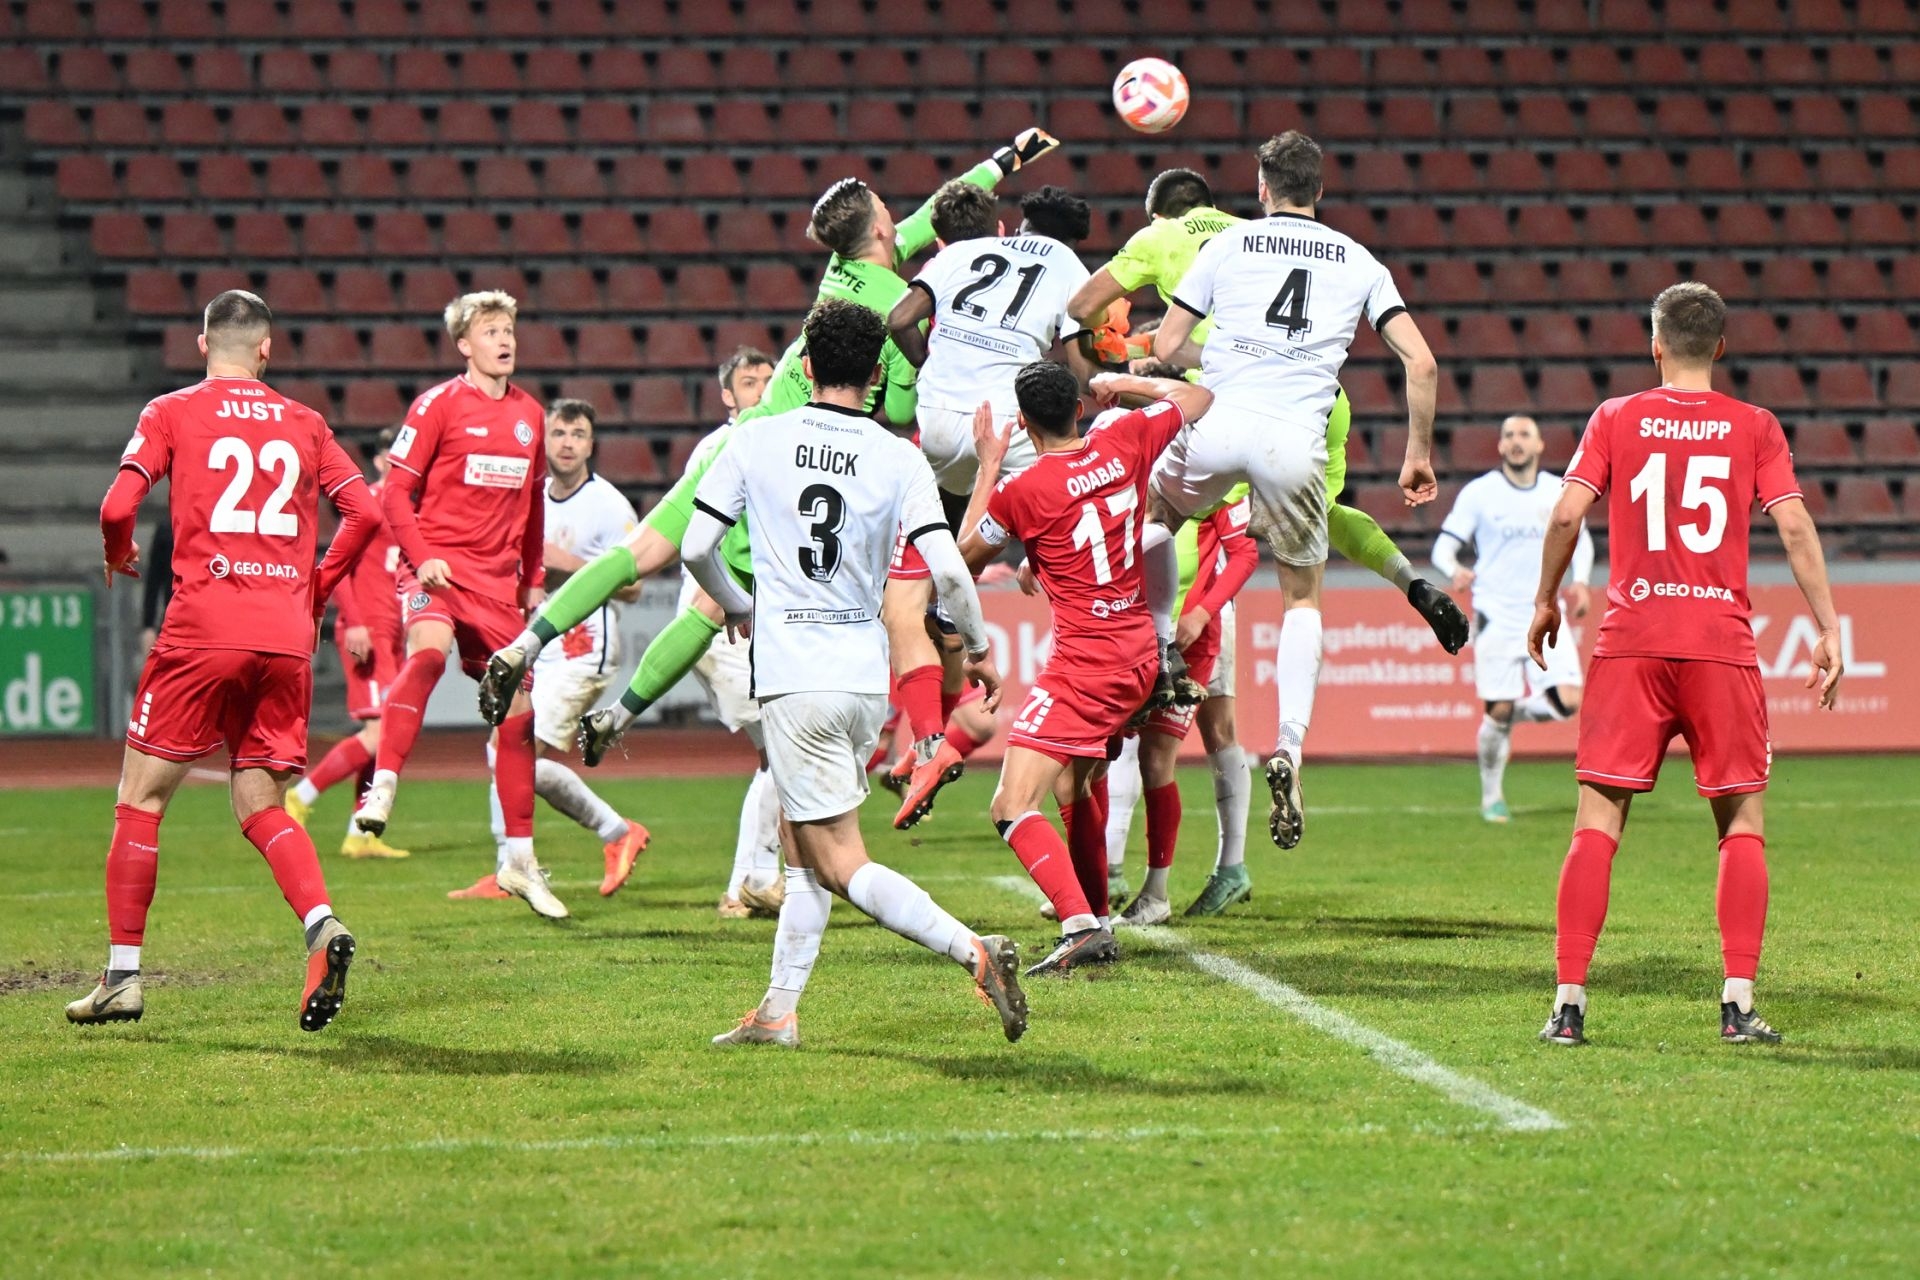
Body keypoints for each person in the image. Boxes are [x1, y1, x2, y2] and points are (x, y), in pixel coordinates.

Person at [476, 130, 1064, 778]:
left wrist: (1004, 160)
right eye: (884, 208)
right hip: (786, 462)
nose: (899, 215)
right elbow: (901, 412)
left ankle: (528, 648)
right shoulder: (894, 303)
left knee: (638, 553)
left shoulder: (847, 265)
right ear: (878, 228)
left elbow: (933, 214)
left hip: (742, 435)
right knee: (713, 606)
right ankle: (622, 717)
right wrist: (924, 367)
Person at [680, 298, 1028, 1047]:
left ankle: (974, 950)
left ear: (805, 366)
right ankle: (777, 1014)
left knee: (839, 861)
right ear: (875, 376)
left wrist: (741, 605)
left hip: (795, 676)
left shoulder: (756, 438)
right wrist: (974, 648)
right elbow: (949, 573)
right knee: (799, 844)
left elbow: (696, 547)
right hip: (863, 679)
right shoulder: (898, 456)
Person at [1529, 282, 1842, 1047]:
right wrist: (1828, 626)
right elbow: (1794, 526)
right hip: (1718, 646)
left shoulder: (1615, 416)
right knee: (1741, 824)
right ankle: (1737, 1003)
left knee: (1597, 822)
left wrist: (1544, 600)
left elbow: (1566, 513)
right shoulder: (1754, 425)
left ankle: (1569, 1005)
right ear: (1721, 348)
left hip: (1631, 641)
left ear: (1656, 345)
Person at [68, 289, 380, 1030]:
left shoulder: (171, 411)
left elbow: (116, 507)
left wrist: (119, 551)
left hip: (204, 628)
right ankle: (321, 924)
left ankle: (122, 977)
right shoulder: (306, 423)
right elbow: (365, 511)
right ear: (267, 349)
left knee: (141, 799)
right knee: (261, 803)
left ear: (203, 344)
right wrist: (315, 588)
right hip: (284, 636)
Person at [1147, 131, 1442, 853]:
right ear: (1321, 190)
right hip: (1294, 441)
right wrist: (1416, 455)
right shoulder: (1361, 261)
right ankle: (1289, 745)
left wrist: (1223, 358)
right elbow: (1422, 363)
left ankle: (1158, 650)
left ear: (1261, 188)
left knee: (1155, 513)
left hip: (1220, 418)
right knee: (1302, 598)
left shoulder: (1228, 244)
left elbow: (1166, 346)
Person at [958, 364, 1210, 976]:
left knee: (1011, 805)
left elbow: (961, 560)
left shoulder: (1019, 490)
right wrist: (1121, 383)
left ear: (1023, 424)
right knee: (1076, 785)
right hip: (1139, 654)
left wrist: (988, 465)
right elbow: (1198, 395)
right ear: (1078, 408)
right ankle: (1095, 918)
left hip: (1085, 666)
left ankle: (1079, 926)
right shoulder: (1124, 437)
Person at [883, 180, 1102, 825]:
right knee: (1075, 505)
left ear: (1017, 225)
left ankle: (929, 732)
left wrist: (930, 366)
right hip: (1009, 427)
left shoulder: (961, 253)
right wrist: (1107, 381)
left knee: (920, 585)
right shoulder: (1070, 266)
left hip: (938, 423)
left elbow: (897, 319)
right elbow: (1078, 368)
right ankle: (1079, 618)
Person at [353, 290, 564, 919]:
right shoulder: (436, 405)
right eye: (491, 331)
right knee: (428, 652)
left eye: (509, 330)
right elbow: (394, 494)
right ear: (465, 344)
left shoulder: (530, 415)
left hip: (496, 587)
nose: (505, 340)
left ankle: (519, 861)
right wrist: (421, 555)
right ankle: (383, 785)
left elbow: (532, 506)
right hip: (437, 568)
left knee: (518, 714)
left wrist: (532, 577)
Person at [451, 399, 650, 903]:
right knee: (505, 749)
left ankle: (604, 835)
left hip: (585, 647)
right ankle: (524, 862)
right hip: (538, 646)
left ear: (591, 444)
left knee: (514, 750)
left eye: (578, 435)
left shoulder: (609, 505)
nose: (567, 443)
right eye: (558, 433)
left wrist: (567, 564)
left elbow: (635, 586)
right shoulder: (528, 494)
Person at [1109, 482, 1259, 923]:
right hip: (1135, 627)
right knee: (1111, 747)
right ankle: (1104, 871)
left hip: (1193, 634)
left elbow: (1244, 552)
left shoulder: (1212, 472)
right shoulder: (1134, 462)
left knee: (1177, 747)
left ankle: (1206, 873)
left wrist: (1203, 612)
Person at [1433, 414, 1594, 823]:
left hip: (1545, 612)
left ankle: (1506, 716)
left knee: (1569, 701)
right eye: (1509, 435)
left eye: (1524, 434)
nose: (1516, 441)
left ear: (1539, 445)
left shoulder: (1558, 490)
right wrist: (1454, 569)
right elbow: (1442, 548)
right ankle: (1492, 797)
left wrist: (1582, 581)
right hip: (1496, 615)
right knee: (1498, 710)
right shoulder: (1479, 493)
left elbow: (1581, 539)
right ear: (1501, 446)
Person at [682, 347, 787, 920]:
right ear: (727, 395)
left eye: (769, 380)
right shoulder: (723, 447)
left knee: (780, 753)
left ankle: (750, 882)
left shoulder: (768, 442)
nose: (762, 390)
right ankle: (751, 881)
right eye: (749, 383)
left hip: (741, 617)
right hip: (725, 618)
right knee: (782, 750)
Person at [285, 427, 410, 860]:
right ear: (379, 460)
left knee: (385, 736)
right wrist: (355, 622)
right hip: (368, 630)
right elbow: (335, 567)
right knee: (381, 732)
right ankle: (301, 795)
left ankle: (360, 834)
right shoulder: (367, 504)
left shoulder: (412, 508)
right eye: (392, 454)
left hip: (395, 634)